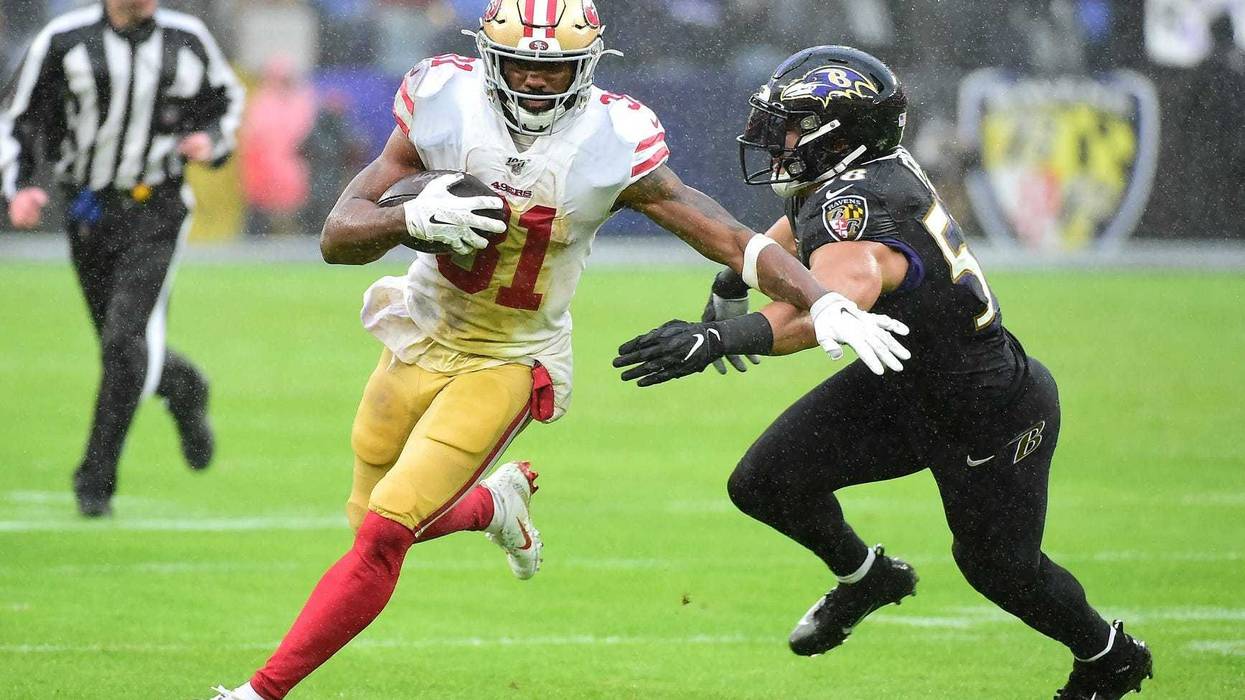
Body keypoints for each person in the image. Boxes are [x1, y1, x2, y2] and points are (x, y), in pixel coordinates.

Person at [206, 5, 909, 700]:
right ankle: (491, 507)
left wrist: (823, 301)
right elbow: (337, 235)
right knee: (370, 523)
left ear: (587, 66)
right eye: (521, 66)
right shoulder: (441, 99)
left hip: (511, 356)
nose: (537, 84)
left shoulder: (614, 136)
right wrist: (407, 219)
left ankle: (259, 693)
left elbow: (725, 236)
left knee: (384, 535)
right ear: (487, 58)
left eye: (554, 69)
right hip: (419, 330)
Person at [614, 46, 1153, 699]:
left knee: (997, 570)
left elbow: (832, 309)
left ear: (836, 135)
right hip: (903, 387)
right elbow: (802, 220)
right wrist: (734, 274)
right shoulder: (860, 174)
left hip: (984, 410)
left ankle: (1108, 655)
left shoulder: (862, 213)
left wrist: (717, 335)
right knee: (763, 483)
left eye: (788, 125)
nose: (772, 138)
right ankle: (865, 575)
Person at [0, 0, 245, 517]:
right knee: (123, 351)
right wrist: (20, 185)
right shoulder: (65, 40)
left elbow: (226, 101)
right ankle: (185, 386)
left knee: (123, 342)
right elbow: (21, 113)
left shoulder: (186, 38)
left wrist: (212, 141)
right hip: (88, 209)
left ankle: (94, 483)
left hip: (156, 207)